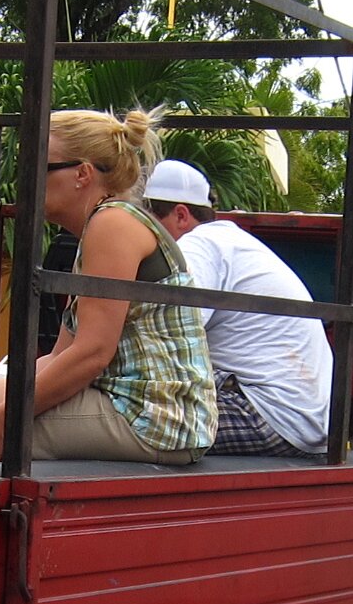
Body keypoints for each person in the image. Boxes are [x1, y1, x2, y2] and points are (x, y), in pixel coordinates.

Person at [0, 109, 216, 466]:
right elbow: (61, 356)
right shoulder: (102, 226)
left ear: (82, 174)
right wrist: (1, 399)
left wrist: (3, 417)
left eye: (40, 167)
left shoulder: (113, 224)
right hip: (142, 408)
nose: (25, 180)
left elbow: (92, 353)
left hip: (154, 416)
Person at [141, 159, 332, 455]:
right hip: (307, 420)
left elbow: (174, 336)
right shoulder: (230, 240)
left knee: (126, 417)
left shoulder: (197, 245)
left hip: (270, 416)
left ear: (180, 215)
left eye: (148, 223)